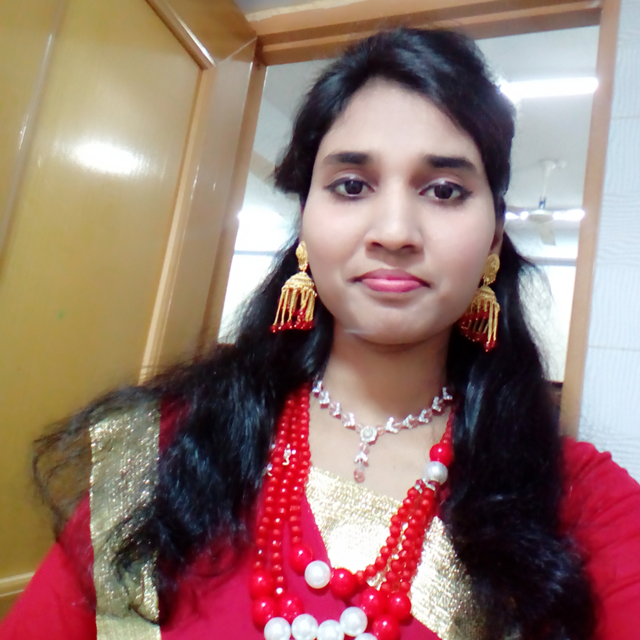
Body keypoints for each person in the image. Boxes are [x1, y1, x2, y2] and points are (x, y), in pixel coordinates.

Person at [2, 28, 639, 640]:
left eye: (445, 190)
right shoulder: (164, 452)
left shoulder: (583, 504)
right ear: (305, 221)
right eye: (352, 185)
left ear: (494, 238)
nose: (394, 231)